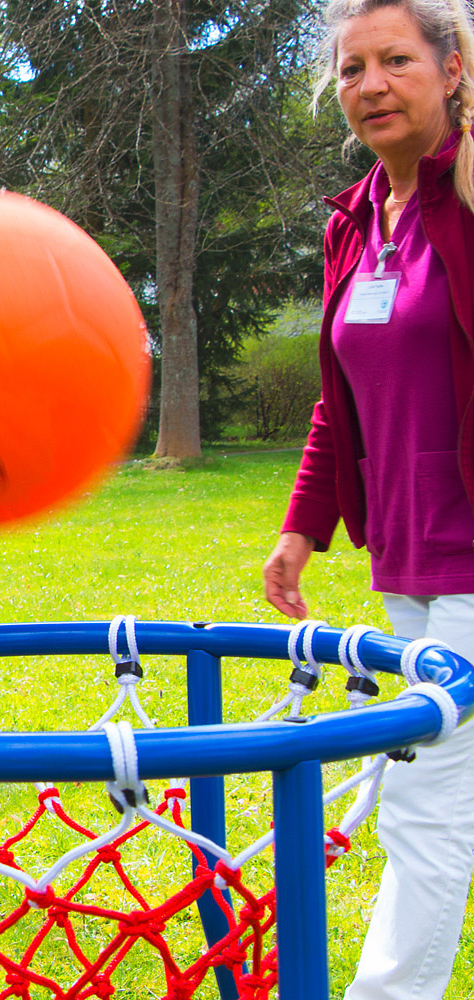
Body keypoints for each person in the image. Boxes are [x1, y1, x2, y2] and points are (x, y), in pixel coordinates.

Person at [261, 0, 474, 996]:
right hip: (408, 551)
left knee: (426, 800)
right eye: (352, 69)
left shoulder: (467, 197)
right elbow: (336, 399)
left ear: (454, 66)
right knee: (436, 787)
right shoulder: (357, 218)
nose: (373, 84)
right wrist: (303, 526)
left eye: (398, 60)